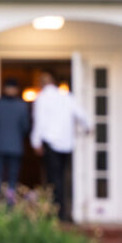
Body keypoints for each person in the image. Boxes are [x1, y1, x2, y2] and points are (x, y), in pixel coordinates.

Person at [30, 71, 91, 222]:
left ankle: (56, 213)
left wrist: (35, 142)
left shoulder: (42, 98)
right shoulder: (66, 96)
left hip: (51, 143)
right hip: (67, 143)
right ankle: (65, 211)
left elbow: (39, 121)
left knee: (53, 179)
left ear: (41, 84)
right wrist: (88, 126)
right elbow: (82, 114)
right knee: (64, 178)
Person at [0, 78, 30, 202]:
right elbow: (25, 127)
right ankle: (9, 204)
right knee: (12, 179)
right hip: (15, 146)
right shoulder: (22, 106)